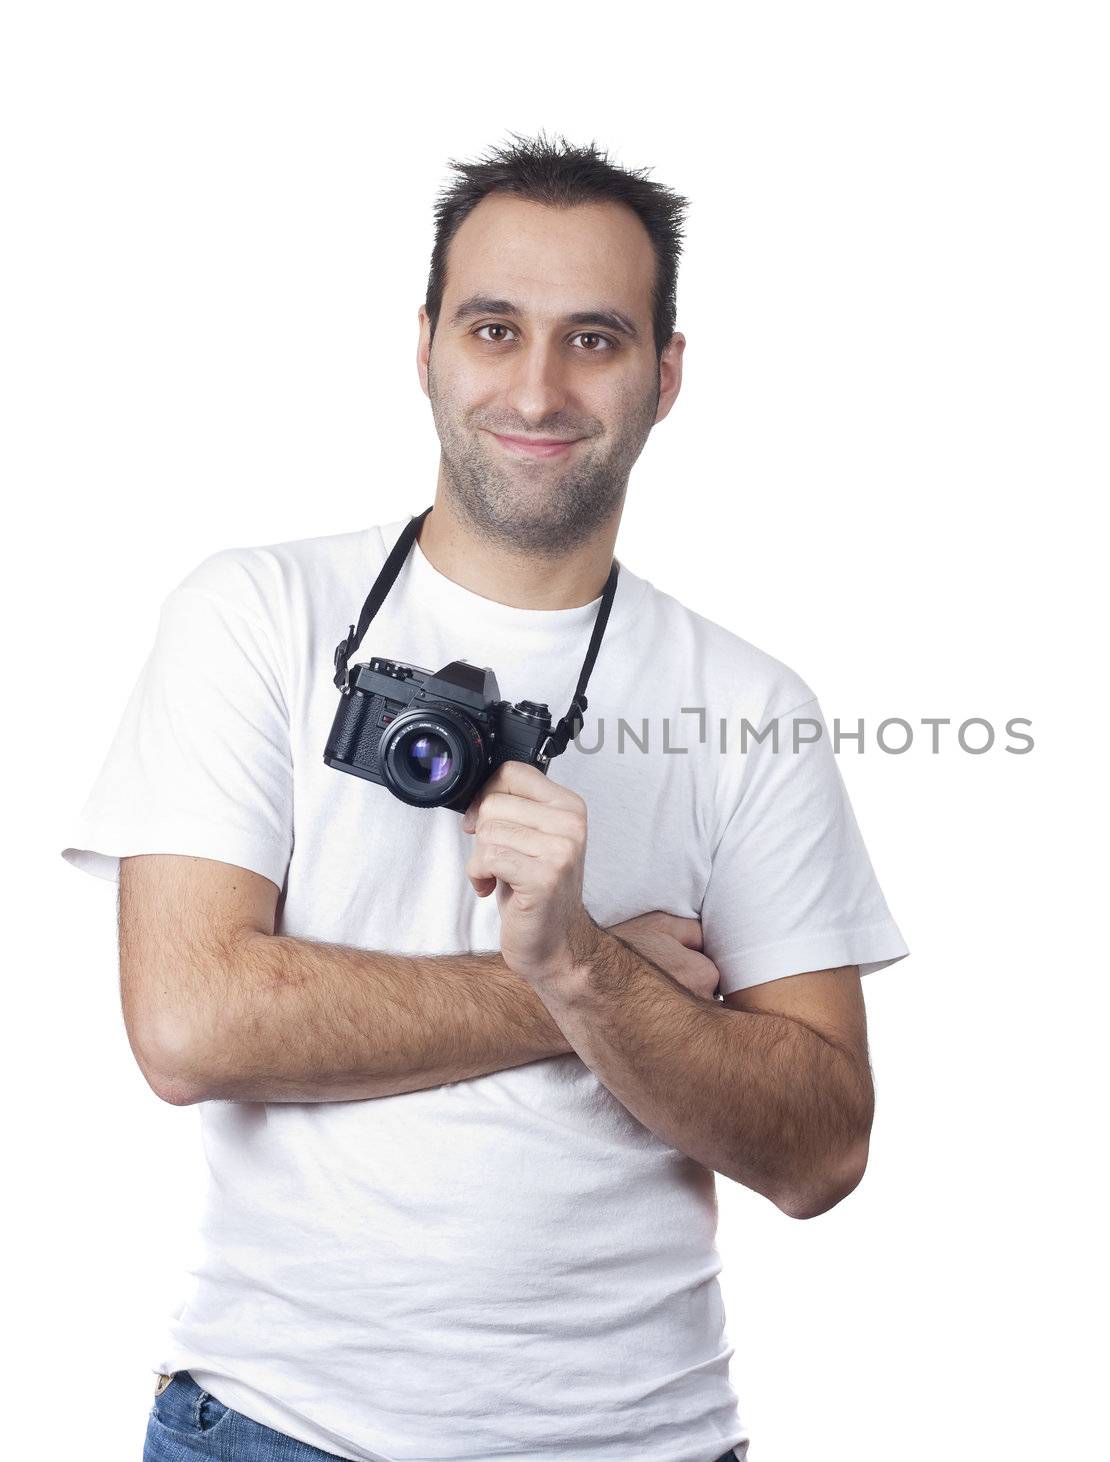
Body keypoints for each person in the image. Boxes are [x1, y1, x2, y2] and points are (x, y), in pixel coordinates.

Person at [60, 132, 909, 1462]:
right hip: (277, 1423)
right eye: (495, 327)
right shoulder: (258, 616)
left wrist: (581, 962)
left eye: (595, 339)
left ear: (666, 374)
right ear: (425, 346)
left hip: (646, 1438)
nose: (537, 384)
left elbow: (820, 1150)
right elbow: (188, 1022)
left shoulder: (748, 704)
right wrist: (564, 989)